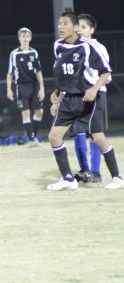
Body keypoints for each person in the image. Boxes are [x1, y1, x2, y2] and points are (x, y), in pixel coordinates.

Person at [45, 12, 121, 191]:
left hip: (86, 98)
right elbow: (63, 72)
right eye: (59, 24)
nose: (60, 27)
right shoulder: (58, 46)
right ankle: (68, 179)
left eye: (64, 23)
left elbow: (106, 71)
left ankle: (117, 177)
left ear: (75, 27)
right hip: (68, 98)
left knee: (98, 137)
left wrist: (94, 89)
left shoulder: (88, 46)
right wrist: (57, 92)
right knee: (54, 137)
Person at [72, 14, 110, 183]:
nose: (79, 29)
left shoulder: (97, 47)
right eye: (78, 26)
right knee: (78, 131)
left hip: (95, 95)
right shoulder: (72, 48)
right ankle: (84, 170)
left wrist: (94, 88)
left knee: (95, 133)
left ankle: (96, 171)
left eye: (84, 27)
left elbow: (107, 75)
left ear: (92, 30)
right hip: (76, 96)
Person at [5, 27, 45, 146]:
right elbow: (10, 73)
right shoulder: (14, 54)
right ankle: (31, 140)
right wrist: (9, 89)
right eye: (23, 36)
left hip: (34, 85)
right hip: (21, 86)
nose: (25, 39)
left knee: (39, 112)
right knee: (25, 112)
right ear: (19, 38)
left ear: (30, 38)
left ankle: (33, 135)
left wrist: (42, 87)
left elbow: (38, 71)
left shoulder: (34, 52)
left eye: (27, 36)